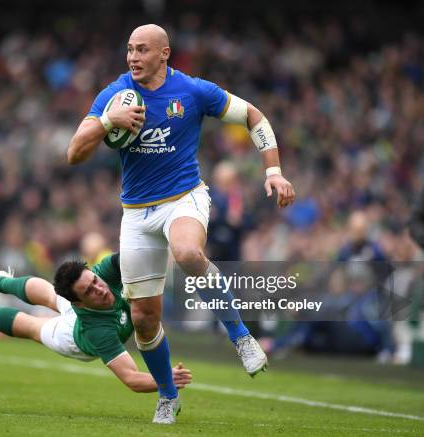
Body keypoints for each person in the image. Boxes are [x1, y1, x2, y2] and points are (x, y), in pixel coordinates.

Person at [66, 24, 295, 423]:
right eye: (129, 50)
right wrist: (109, 120)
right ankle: (168, 396)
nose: (133, 57)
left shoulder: (192, 91)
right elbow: (74, 153)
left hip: (184, 197)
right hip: (137, 212)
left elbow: (254, 115)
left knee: (188, 253)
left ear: (164, 54)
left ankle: (240, 337)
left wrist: (273, 170)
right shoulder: (115, 94)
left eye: (142, 50)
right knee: (143, 318)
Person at [0, 253, 192, 396]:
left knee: (49, 292)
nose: (99, 289)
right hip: (73, 338)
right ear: (79, 302)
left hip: (84, 309)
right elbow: (132, 379)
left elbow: (133, 254)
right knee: (33, 326)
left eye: (95, 281)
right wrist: (164, 379)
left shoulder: (103, 275)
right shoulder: (98, 332)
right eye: (89, 290)